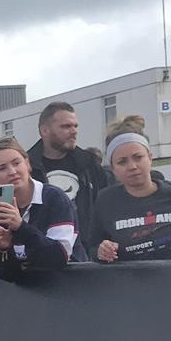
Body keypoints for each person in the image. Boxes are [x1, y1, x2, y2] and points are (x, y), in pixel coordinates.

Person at [0, 138, 81, 279]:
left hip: (67, 285)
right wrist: (4, 249)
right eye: (2, 168)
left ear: (28, 164)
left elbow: (59, 258)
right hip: (28, 290)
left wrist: (21, 227)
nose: (12, 171)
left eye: (16, 163)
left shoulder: (55, 198)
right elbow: (6, 275)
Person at [92, 121, 171, 262]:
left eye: (138, 157)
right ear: (113, 168)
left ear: (150, 158)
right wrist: (102, 251)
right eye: (122, 162)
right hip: (129, 276)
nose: (132, 166)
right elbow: (93, 247)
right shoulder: (105, 201)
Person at [28, 101, 108, 252]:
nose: (73, 131)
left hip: (85, 253)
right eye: (66, 126)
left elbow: (106, 206)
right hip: (42, 252)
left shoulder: (89, 165)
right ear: (44, 130)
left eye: (75, 126)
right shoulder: (27, 168)